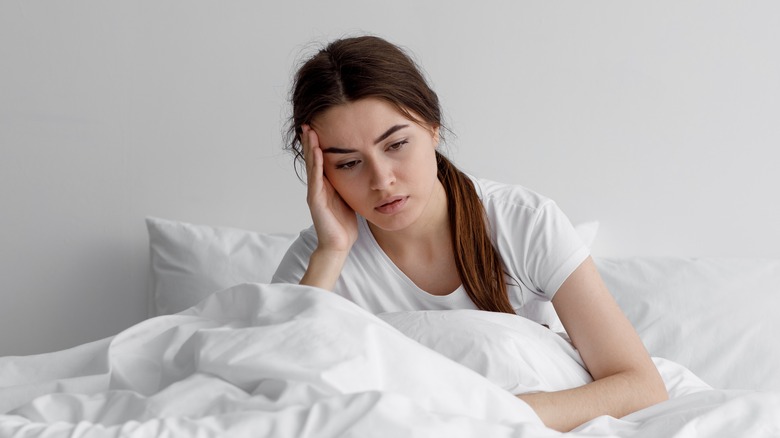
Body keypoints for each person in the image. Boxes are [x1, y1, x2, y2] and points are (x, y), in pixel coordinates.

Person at [272, 35, 667, 432]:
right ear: (319, 171)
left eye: (396, 144)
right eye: (350, 163)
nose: (382, 180)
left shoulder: (523, 222)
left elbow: (640, 385)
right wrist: (331, 253)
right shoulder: (319, 258)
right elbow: (274, 383)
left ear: (432, 127)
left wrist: (486, 417)